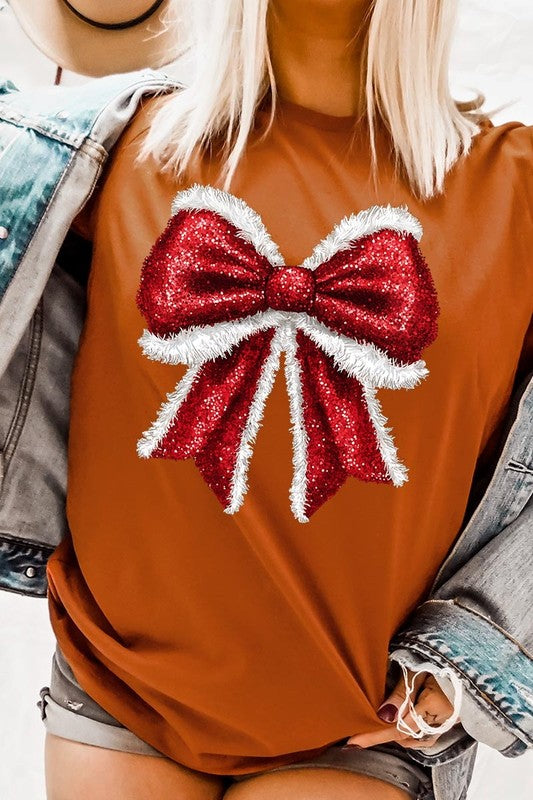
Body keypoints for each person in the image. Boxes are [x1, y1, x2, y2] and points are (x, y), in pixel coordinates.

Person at [2, 1, 531, 799]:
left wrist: (480, 656)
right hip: (119, 692)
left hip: (355, 716)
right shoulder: (96, 147)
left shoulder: (516, 186)